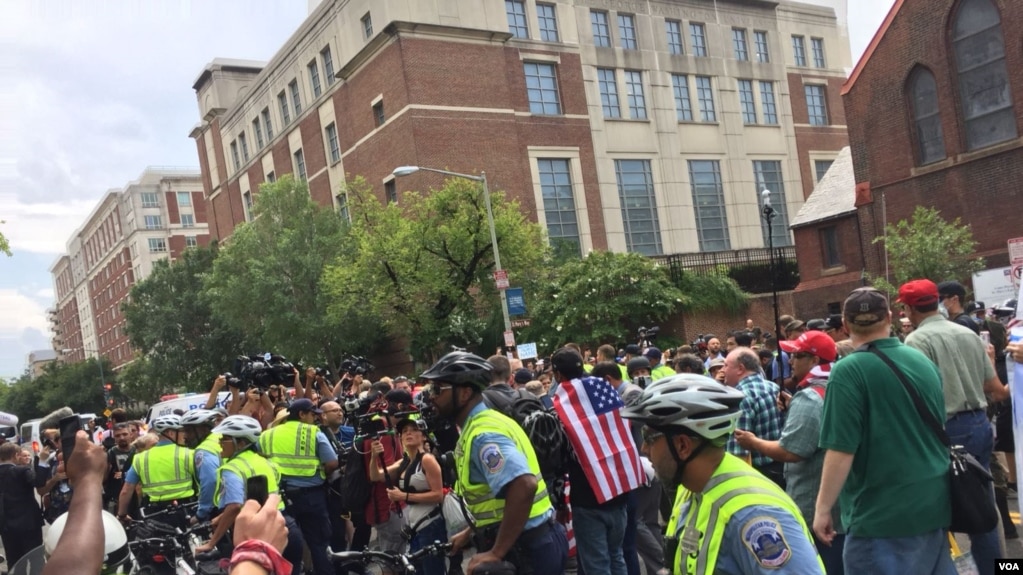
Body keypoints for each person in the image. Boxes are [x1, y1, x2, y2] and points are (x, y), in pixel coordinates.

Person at [621, 374, 824, 574]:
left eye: (649, 438)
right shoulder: (691, 486)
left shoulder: (752, 515)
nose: (644, 449)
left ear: (682, 445)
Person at [815, 287, 955, 575]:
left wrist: (822, 508)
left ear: (844, 324)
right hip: (932, 503)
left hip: (881, 515)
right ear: (890, 317)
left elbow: (841, 449)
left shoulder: (848, 371)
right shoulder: (921, 361)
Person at [420, 351, 567, 575]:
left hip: (526, 549)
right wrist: (470, 532)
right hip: (529, 539)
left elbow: (524, 485)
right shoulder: (481, 423)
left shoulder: (484, 435)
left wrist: (496, 552)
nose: (431, 396)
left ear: (465, 393)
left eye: (437, 389)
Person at [899, 279, 1008, 574]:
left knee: (937, 511)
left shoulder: (916, 342)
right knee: (981, 510)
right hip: (978, 424)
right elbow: (995, 389)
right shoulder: (968, 334)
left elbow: (919, 397)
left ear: (909, 308)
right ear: (938, 301)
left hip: (944, 430)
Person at [734, 330, 845, 574]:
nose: (790, 361)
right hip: (843, 502)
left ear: (815, 360)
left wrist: (753, 442)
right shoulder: (839, 385)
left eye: (797, 355)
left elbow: (791, 451)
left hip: (815, 501)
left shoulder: (809, 397)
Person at [195, 415, 305, 569]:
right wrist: (220, 518)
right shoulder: (265, 460)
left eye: (224, 439)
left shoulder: (232, 468)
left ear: (240, 443)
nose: (219, 443)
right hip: (285, 527)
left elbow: (234, 506)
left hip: (259, 534)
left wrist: (211, 543)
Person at [258, 398, 338, 575]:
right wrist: (322, 473)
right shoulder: (313, 432)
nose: (314, 419)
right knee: (319, 544)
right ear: (301, 414)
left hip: (280, 499)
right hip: (312, 498)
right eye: (312, 414)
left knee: (287, 546)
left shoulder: (266, 435)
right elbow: (332, 462)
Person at [41, 431, 129, 575]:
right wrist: (88, 476)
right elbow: (71, 567)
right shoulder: (52, 462)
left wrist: (87, 477)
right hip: (62, 512)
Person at [369, 416, 447, 575]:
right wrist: (373, 457)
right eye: (404, 431)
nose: (409, 434)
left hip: (431, 524)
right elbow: (375, 476)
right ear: (400, 438)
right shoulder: (404, 462)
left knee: (432, 570)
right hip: (415, 527)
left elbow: (438, 495)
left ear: (423, 436)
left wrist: (403, 496)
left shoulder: (427, 460)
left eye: (414, 430)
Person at [117, 414, 196, 523]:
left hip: (154, 514)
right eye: (182, 431)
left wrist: (122, 515)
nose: (185, 435)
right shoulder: (189, 454)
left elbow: (126, 490)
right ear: (171, 433)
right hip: (185, 510)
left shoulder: (140, 458)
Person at [0, 442, 47, 566]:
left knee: (13, 560)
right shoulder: (22, 470)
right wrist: (41, 461)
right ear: (16, 455)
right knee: (35, 559)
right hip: (29, 523)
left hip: (6, 525)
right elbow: (39, 482)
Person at [180, 408, 224, 523]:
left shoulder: (203, 450)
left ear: (203, 430)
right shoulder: (219, 438)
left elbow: (210, 481)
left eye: (188, 431)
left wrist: (201, 514)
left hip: (218, 509)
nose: (184, 436)